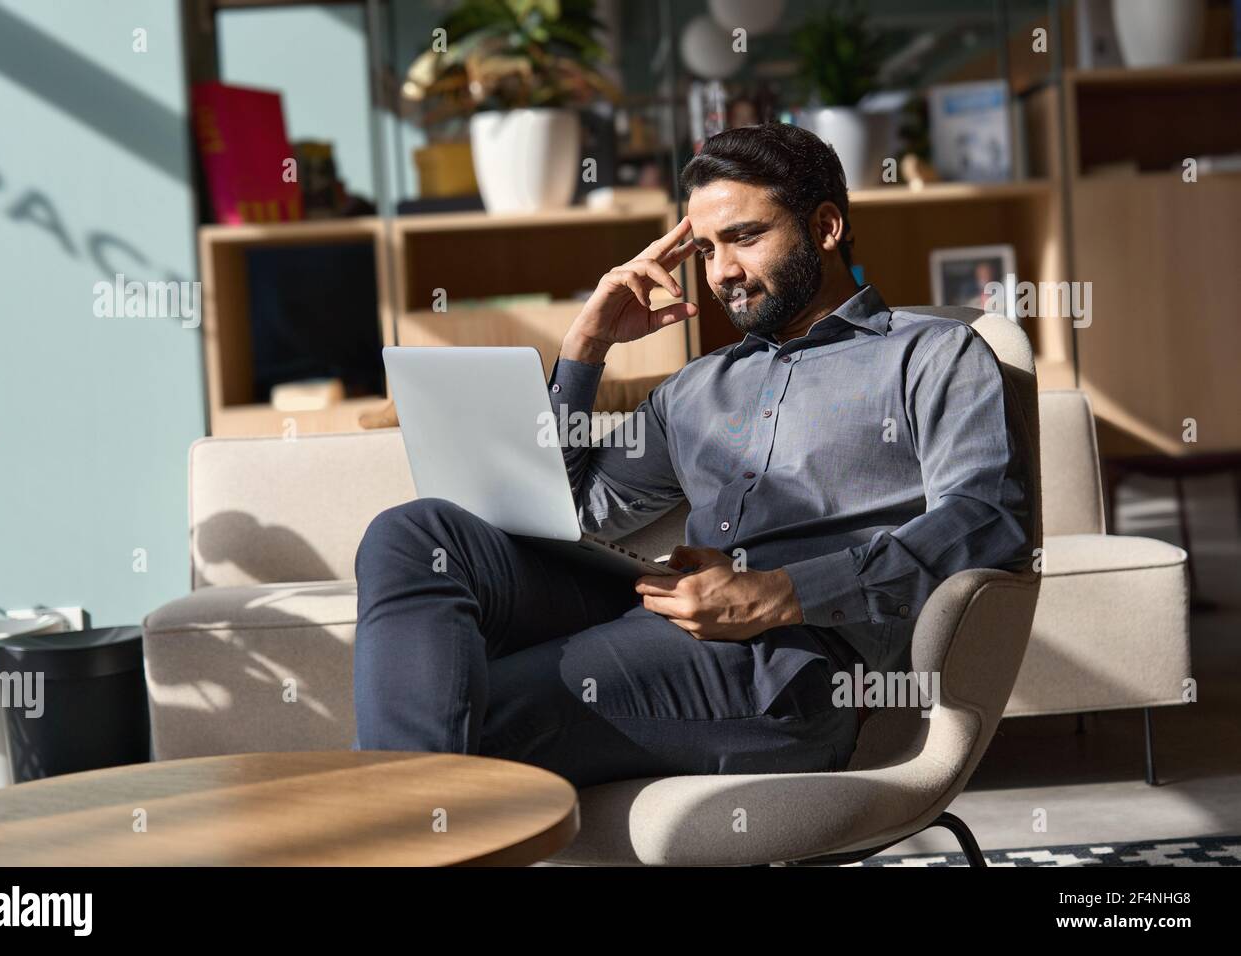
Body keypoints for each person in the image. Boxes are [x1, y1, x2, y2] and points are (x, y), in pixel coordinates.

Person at [353, 123, 1034, 788]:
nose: (722, 272)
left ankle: (400, 813)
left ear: (826, 228)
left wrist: (785, 593)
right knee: (414, 532)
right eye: (706, 248)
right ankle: (413, 807)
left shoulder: (932, 354)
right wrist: (585, 349)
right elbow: (572, 509)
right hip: (659, 614)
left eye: (744, 237)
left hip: (795, 666)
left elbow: (985, 519)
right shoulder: (697, 388)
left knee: (457, 712)